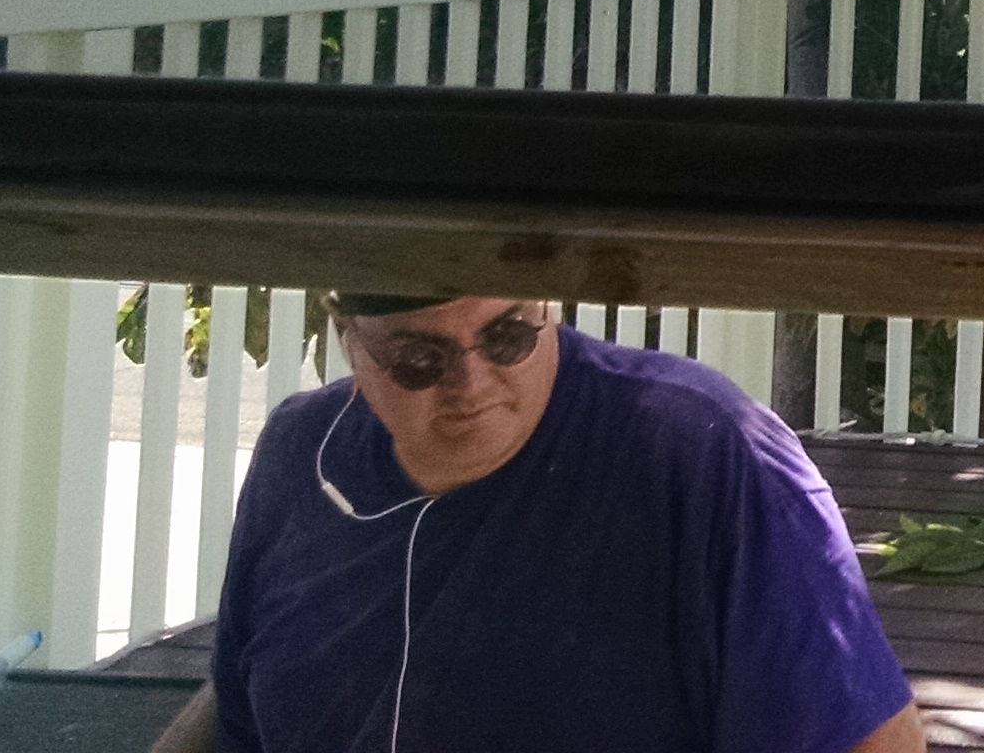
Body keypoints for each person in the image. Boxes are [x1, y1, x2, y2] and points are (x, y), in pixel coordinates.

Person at [148, 293, 924, 753]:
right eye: (419, 359)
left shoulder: (703, 449)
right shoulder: (300, 453)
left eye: (507, 337)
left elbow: (869, 740)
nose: (471, 383)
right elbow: (237, 709)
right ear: (350, 343)